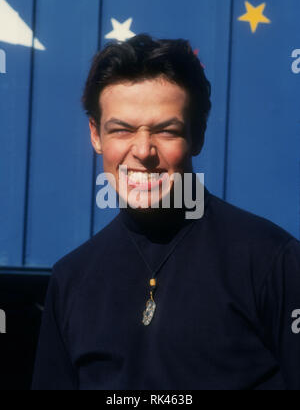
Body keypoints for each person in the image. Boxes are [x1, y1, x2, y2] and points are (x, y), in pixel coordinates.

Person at [32, 34, 300, 390]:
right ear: (96, 136)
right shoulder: (71, 278)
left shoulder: (271, 262)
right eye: (122, 130)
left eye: (166, 131)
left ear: (198, 135)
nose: (143, 150)